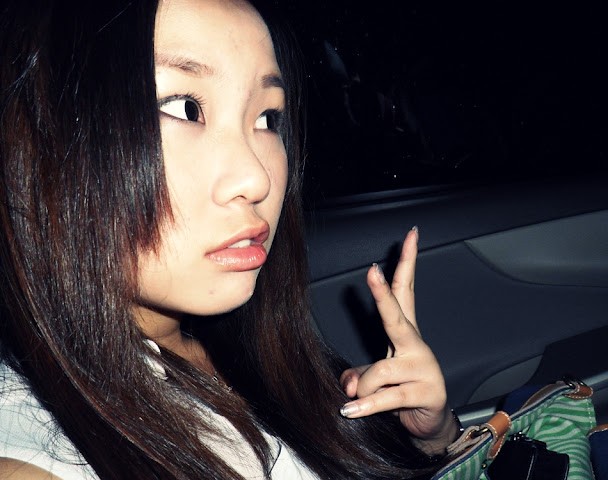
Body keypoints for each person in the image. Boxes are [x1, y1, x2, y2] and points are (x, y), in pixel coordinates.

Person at [0, 0, 460, 478]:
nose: (257, 179)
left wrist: (430, 440)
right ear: (42, 140)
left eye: (267, 118)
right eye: (185, 108)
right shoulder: (34, 460)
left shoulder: (251, 354)